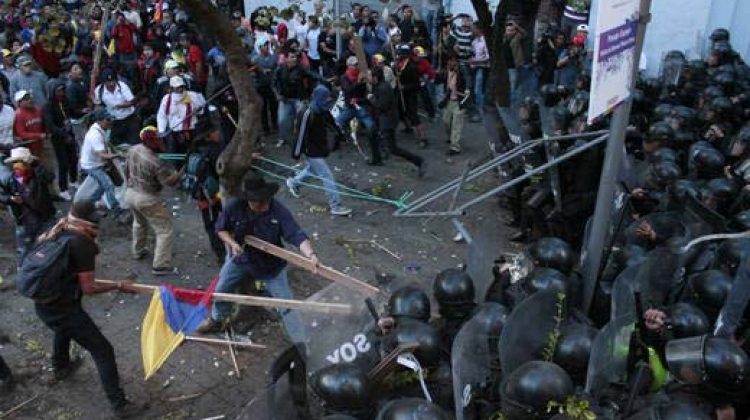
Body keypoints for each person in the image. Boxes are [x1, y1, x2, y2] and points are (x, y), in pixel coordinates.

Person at [33, 200, 144, 418]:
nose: (96, 223)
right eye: (93, 218)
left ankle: (61, 368)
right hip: (62, 307)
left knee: (62, 329)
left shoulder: (58, 228)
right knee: (102, 350)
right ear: (83, 219)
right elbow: (89, 287)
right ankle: (120, 406)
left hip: (44, 303)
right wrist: (119, 285)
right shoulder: (81, 242)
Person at [196, 173, 320, 346]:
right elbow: (221, 229)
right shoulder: (235, 207)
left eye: (263, 201)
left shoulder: (279, 211)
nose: (261, 206)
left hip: (271, 266)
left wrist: (311, 255)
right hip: (242, 259)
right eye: (255, 202)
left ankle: (301, 341)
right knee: (221, 289)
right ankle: (217, 320)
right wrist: (232, 244)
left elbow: (296, 235)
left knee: (287, 306)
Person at [286, 84, 353, 216]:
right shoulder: (306, 113)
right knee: (326, 175)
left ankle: (293, 182)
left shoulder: (323, 110)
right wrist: (296, 153)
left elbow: (332, 124)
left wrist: (341, 136)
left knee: (313, 170)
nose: (326, 103)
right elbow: (300, 135)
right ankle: (335, 205)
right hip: (310, 149)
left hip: (320, 146)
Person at [124, 126, 182, 276]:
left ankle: (138, 251)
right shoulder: (155, 161)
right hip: (147, 198)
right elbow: (169, 182)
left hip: (130, 193)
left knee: (139, 223)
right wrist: (180, 172)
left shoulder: (133, 149)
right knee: (164, 229)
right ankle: (160, 265)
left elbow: (126, 170)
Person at [0, 147, 56, 263]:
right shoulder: (10, 180)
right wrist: (11, 199)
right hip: (24, 222)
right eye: (14, 162)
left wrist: (35, 164)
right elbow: (2, 196)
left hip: (45, 218)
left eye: (20, 161)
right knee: (24, 251)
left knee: (47, 248)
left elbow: (50, 177)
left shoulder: (38, 175)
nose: (17, 166)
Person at [370, 67, 425, 175]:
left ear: (375, 78)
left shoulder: (383, 88)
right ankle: (377, 158)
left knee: (393, 148)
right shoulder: (380, 86)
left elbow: (381, 106)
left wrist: (371, 99)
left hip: (387, 121)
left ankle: (418, 160)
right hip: (383, 119)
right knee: (371, 133)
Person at [76, 109, 125, 218]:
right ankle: (117, 210)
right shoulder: (95, 134)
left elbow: (106, 145)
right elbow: (103, 155)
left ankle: (88, 205)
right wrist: (118, 156)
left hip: (98, 163)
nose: (110, 122)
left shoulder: (101, 129)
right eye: (107, 120)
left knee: (103, 187)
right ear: (100, 121)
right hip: (92, 166)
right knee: (109, 185)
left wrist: (115, 152)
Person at [192, 126, 226, 265]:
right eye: (214, 131)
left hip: (200, 193)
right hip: (213, 195)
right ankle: (222, 254)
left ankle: (220, 251)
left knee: (210, 224)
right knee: (217, 224)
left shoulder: (193, 149)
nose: (218, 132)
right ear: (208, 136)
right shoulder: (215, 151)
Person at [273, 52, 316, 147]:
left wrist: (310, 92)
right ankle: (282, 138)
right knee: (282, 120)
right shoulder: (280, 68)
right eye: (292, 57)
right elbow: (274, 83)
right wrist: (277, 94)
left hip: (299, 98)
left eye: (295, 57)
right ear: (286, 59)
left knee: (302, 119)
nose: (294, 59)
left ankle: (304, 139)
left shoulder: (301, 68)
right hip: (285, 99)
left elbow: (312, 77)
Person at [156, 76, 206, 156]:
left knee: (192, 153)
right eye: (177, 87)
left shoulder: (192, 95)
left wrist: (198, 109)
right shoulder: (166, 99)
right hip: (174, 132)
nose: (180, 89)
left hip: (191, 130)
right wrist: (161, 131)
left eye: (181, 87)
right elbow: (162, 116)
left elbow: (201, 111)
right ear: (171, 88)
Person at [43, 81, 76, 200]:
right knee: (63, 163)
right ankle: (63, 188)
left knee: (73, 159)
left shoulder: (65, 101)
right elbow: (50, 125)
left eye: (62, 90)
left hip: (69, 132)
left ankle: (74, 180)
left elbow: (71, 112)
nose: (61, 93)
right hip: (58, 137)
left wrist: (82, 111)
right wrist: (63, 134)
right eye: (58, 91)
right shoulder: (48, 106)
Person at [93, 68, 139, 146]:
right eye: (108, 82)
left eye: (113, 81)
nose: (111, 84)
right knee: (116, 145)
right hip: (114, 122)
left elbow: (132, 102)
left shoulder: (122, 86)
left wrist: (119, 106)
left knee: (133, 144)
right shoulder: (99, 90)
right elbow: (98, 105)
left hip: (129, 119)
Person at [395, 45, 429, 147]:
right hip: (401, 94)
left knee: (413, 115)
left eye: (399, 53)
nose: (397, 55)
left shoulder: (411, 67)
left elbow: (416, 84)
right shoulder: (398, 64)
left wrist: (404, 87)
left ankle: (423, 138)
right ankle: (407, 126)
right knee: (400, 112)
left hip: (410, 94)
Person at [441, 54, 469, 155]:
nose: (451, 63)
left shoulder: (462, 73)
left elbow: (468, 84)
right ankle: (451, 137)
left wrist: (466, 92)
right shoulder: (445, 72)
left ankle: (455, 146)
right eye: (450, 61)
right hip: (449, 100)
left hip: (459, 101)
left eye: (453, 61)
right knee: (446, 121)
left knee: (456, 124)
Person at [251, 40, 279, 136]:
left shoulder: (273, 58)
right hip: (261, 87)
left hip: (272, 86)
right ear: (260, 48)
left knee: (274, 107)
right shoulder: (255, 60)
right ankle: (265, 128)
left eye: (267, 45)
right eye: (264, 46)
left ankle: (275, 125)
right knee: (263, 108)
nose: (266, 47)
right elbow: (252, 73)